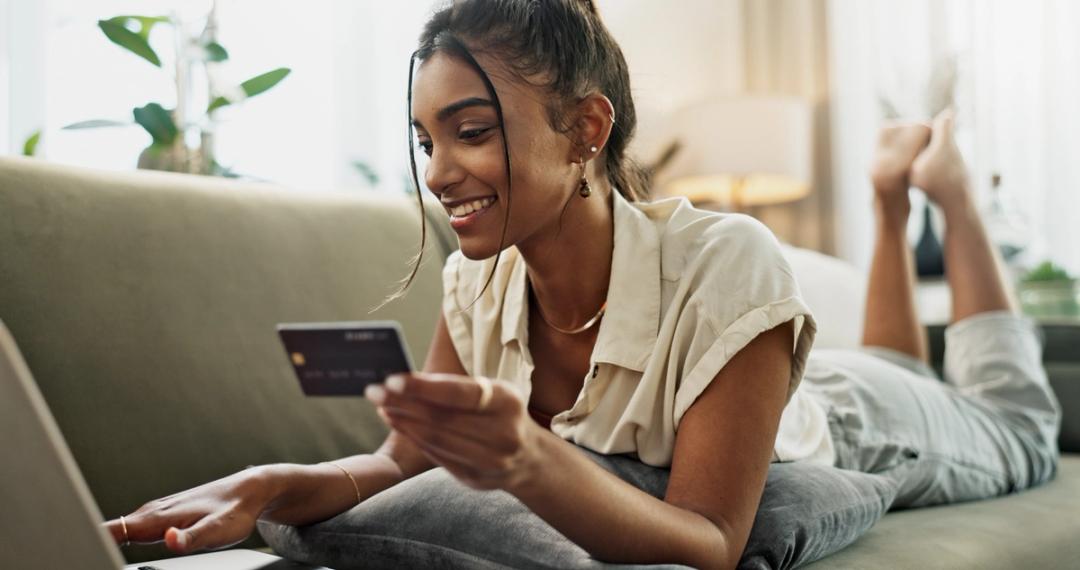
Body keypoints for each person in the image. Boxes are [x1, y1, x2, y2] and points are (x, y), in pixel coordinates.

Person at [104, 1, 1061, 568]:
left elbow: (712, 543)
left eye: (471, 131)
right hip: (812, 379)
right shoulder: (478, 285)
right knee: (896, 352)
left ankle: (952, 195)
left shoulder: (727, 259)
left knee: (1017, 424)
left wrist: (523, 456)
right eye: (427, 139)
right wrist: (282, 485)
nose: (438, 172)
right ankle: (891, 200)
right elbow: (402, 463)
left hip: (860, 422)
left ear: (586, 129)